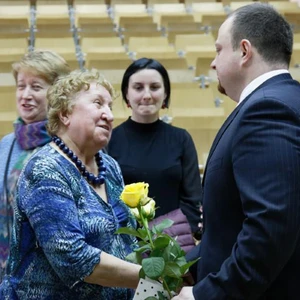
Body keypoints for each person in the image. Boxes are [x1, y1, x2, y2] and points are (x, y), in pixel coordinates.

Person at [172, 3, 300, 300]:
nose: (213, 63)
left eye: (218, 50)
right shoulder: (282, 100)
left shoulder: (267, 109)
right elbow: (233, 222)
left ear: (244, 51)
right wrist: (184, 264)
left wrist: (204, 295)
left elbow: (270, 230)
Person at [0, 69, 141, 299]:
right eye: (98, 103)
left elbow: (127, 239)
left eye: (110, 107)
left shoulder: (109, 165)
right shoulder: (45, 169)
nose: (109, 116)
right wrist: (150, 274)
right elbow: (73, 259)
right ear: (65, 114)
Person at [107, 58, 202, 238]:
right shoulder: (109, 140)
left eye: (155, 87)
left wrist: (169, 238)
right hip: (125, 243)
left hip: (173, 243)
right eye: (138, 87)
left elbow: (192, 199)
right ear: (126, 93)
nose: (147, 95)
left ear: (165, 93)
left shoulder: (181, 139)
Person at [0, 50, 71, 280]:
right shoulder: (6, 144)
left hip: (52, 278)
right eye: (21, 86)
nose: (26, 95)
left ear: (57, 93)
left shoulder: (70, 143)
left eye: (36, 87)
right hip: (7, 273)